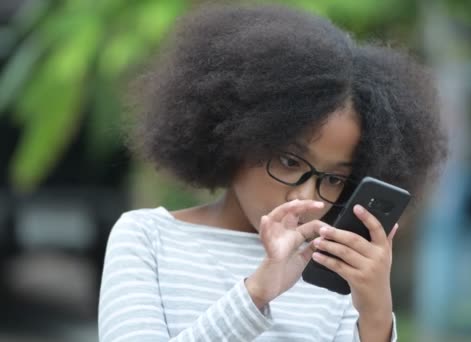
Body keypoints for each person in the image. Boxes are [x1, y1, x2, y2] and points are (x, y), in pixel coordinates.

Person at [98, 4, 446, 342]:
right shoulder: (147, 238)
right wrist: (256, 293)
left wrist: (376, 317)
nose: (305, 198)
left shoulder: (333, 272)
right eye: (290, 162)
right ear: (239, 136)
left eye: (335, 179)